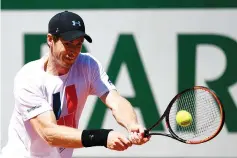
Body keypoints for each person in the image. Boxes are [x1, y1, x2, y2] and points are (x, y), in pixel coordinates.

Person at [1, 11, 150, 158]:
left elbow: (115, 100)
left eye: (78, 44)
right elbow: (49, 133)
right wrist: (102, 137)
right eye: (67, 44)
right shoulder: (29, 78)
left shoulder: (88, 65)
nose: (73, 51)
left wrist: (132, 125)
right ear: (50, 39)